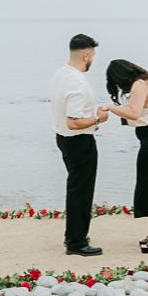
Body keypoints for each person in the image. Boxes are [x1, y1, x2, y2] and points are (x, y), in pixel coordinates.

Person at [103, 60, 148, 254]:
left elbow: (134, 114)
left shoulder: (139, 84)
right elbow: (136, 117)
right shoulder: (145, 82)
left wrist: (110, 107)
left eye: (116, 83)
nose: (119, 87)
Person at [50, 33, 110, 257]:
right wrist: (97, 119)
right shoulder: (76, 81)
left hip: (64, 138)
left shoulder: (61, 74)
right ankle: (76, 242)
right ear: (86, 54)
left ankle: (73, 236)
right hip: (78, 141)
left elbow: (68, 115)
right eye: (93, 55)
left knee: (76, 189)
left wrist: (87, 121)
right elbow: (73, 122)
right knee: (81, 192)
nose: (93, 59)